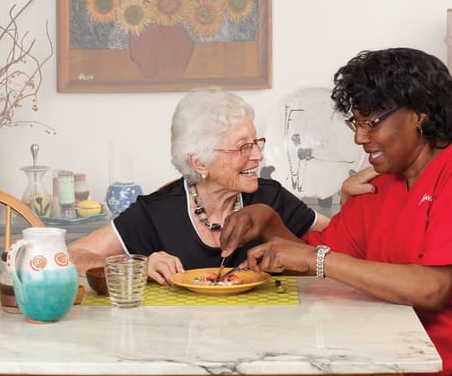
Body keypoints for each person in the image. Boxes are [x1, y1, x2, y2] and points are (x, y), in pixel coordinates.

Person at [221, 47, 452, 376]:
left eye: (370, 123)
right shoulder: (376, 186)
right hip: (394, 367)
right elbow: (320, 268)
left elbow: (433, 288)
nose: (359, 138)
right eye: (355, 124)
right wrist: (269, 223)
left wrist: (315, 259)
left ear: (420, 114)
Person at [68, 87, 335, 284]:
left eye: (257, 143)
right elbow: (71, 255)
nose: (257, 155)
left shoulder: (271, 197)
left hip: (260, 340)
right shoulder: (156, 212)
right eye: (243, 146)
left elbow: (342, 243)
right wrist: (137, 265)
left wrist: (348, 196)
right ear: (200, 163)